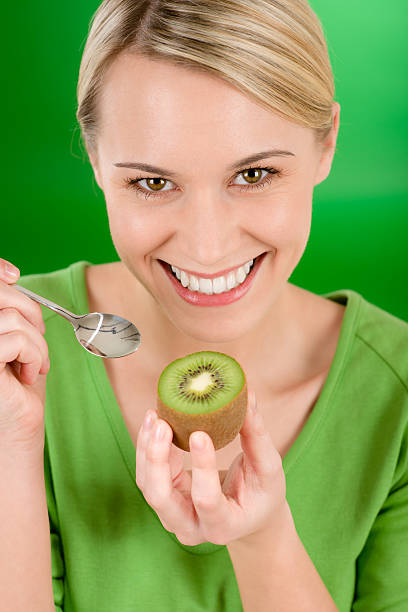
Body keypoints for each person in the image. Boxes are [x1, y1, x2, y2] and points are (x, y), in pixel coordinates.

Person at [1, 0, 407, 610]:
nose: (208, 247)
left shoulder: (396, 396)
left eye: (254, 175)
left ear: (327, 145)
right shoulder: (16, 361)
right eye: (154, 183)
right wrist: (9, 448)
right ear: (95, 162)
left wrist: (262, 540)